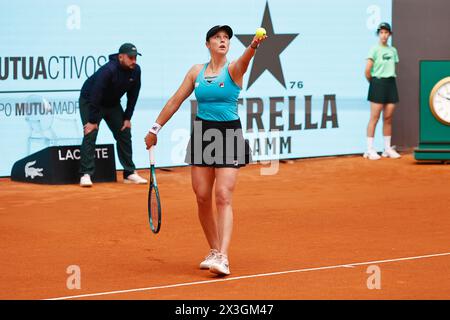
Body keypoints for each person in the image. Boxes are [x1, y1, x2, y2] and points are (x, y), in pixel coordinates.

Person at [144, 25, 267, 275]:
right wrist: (155, 129)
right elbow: (175, 101)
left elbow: (245, 60)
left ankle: (223, 256)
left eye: (226, 38)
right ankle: (213, 250)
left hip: (229, 134)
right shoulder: (196, 72)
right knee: (201, 196)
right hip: (203, 134)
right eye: (217, 38)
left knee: (222, 195)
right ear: (208, 44)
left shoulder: (233, 69)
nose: (223, 41)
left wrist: (253, 45)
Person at [79, 43, 148, 187]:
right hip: (91, 101)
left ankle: (129, 173)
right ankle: (86, 174)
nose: (134, 61)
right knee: (91, 132)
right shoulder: (108, 70)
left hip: (112, 104)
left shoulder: (136, 71)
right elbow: (95, 95)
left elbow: (133, 95)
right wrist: (92, 121)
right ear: (120, 57)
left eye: (135, 57)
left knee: (124, 131)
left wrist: (127, 118)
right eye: (130, 57)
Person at [364, 22, 401, 160]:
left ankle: (387, 149)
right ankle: (369, 149)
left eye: (386, 33)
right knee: (374, 118)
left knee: (388, 117)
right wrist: (374, 83)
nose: (384, 35)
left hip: (391, 83)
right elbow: (367, 71)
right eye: (381, 32)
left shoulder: (393, 51)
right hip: (377, 83)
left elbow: (392, 67)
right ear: (379, 34)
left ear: (389, 34)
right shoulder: (374, 49)